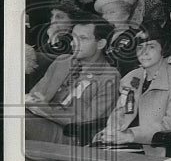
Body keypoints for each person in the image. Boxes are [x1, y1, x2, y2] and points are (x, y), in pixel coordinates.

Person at [92, 23, 171, 150]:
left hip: (156, 148)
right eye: (140, 47)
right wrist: (111, 131)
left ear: (164, 49)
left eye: (151, 47)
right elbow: (120, 111)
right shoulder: (131, 78)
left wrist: (131, 135)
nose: (144, 52)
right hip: (124, 142)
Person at [24, 12, 121, 143]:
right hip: (39, 120)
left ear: (100, 43)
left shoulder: (109, 76)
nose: (74, 44)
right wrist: (34, 102)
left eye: (83, 38)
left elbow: (89, 121)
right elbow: (35, 95)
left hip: (71, 135)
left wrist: (48, 111)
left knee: (13, 121)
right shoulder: (62, 61)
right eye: (73, 38)